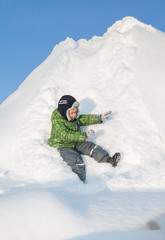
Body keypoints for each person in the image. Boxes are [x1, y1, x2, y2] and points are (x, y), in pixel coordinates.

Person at [48, 95, 121, 182]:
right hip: (63, 145)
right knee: (75, 160)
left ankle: (109, 160)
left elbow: (84, 119)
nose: (75, 115)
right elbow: (66, 135)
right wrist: (84, 135)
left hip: (75, 142)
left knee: (91, 147)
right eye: (72, 113)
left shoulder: (73, 117)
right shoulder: (57, 121)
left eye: (76, 112)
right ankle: (78, 182)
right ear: (64, 112)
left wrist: (99, 118)